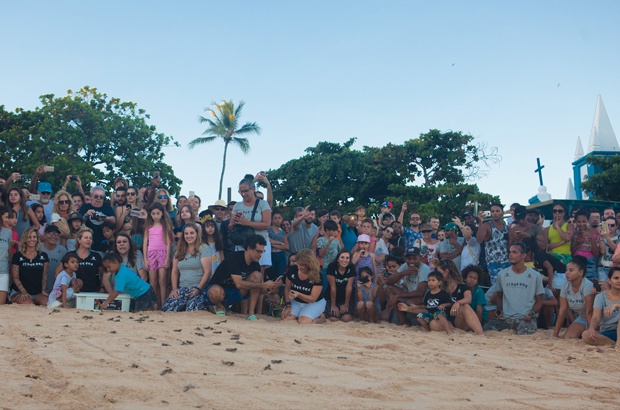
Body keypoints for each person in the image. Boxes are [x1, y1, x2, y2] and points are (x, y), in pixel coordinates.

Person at [204, 235, 279, 319]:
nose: (261, 255)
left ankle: (251, 313)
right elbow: (239, 284)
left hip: (236, 293)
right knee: (215, 291)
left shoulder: (255, 264)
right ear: (249, 249)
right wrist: (264, 285)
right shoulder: (234, 258)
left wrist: (270, 288)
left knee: (257, 276)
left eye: (262, 251)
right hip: (219, 289)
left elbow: (256, 288)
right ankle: (219, 307)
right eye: (258, 251)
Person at [483, 242, 545, 335]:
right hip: (506, 318)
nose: (510, 255)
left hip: (525, 318)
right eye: (510, 252)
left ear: (523, 255)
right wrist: (499, 309)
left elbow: (539, 300)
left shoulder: (535, 275)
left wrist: (532, 313)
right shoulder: (502, 274)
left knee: (525, 335)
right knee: (487, 330)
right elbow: (498, 295)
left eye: (514, 252)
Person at [162, 224, 213, 312]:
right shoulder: (179, 250)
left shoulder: (203, 248)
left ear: (197, 234)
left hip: (199, 288)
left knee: (192, 309)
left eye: (192, 233)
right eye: (186, 234)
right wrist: (174, 289)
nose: (189, 236)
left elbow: (207, 272)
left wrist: (198, 289)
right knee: (168, 309)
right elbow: (174, 271)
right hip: (183, 288)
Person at [229, 174, 272, 271]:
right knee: (242, 272)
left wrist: (247, 223)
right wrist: (233, 223)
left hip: (260, 243)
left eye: (246, 191)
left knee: (258, 272)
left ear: (253, 189)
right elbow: (230, 228)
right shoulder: (237, 206)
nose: (243, 194)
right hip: (242, 243)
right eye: (241, 191)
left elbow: (267, 225)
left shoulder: (263, 204)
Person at [436, 259, 484, 334]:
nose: (437, 275)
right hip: (445, 320)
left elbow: (468, 299)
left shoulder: (462, 287)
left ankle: (480, 333)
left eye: (439, 273)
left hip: (458, 320)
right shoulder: (439, 288)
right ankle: (455, 332)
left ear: (447, 271)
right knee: (433, 323)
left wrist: (458, 303)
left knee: (464, 306)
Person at [384, 247, 430, 325]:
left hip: (423, 298)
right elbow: (388, 281)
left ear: (420, 258)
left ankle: (416, 320)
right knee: (388, 289)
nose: (411, 261)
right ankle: (403, 320)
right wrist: (403, 273)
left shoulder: (424, 269)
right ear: (405, 259)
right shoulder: (405, 266)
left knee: (410, 302)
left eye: (414, 258)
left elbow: (420, 292)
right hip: (410, 293)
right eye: (409, 258)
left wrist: (398, 296)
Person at [553, 256, 594, 339]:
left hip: (596, 320)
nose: (567, 273)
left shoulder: (587, 286)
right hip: (582, 318)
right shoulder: (565, 286)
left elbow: (589, 312)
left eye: (571, 270)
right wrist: (555, 333)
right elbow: (562, 310)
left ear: (580, 272)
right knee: (568, 337)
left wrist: (591, 330)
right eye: (566, 270)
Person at [281, 249, 326, 324]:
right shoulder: (293, 270)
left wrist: (298, 294)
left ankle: (321, 317)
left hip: (313, 303)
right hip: (296, 301)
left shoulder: (317, 275)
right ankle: (301, 314)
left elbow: (312, 298)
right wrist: (288, 305)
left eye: (302, 265)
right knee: (285, 319)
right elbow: (287, 288)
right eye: (298, 264)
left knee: (303, 321)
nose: (299, 267)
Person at [143, 202, 174, 308]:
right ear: (150, 214)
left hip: (162, 253)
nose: (155, 216)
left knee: (162, 280)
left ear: (162, 213)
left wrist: (167, 258)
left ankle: (164, 304)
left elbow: (168, 243)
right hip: (151, 254)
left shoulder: (165, 226)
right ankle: (154, 304)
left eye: (158, 213)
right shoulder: (148, 226)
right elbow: (145, 243)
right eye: (153, 213)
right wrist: (145, 259)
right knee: (152, 281)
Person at [10, 227, 49, 305]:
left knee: (47, 303)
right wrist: (23, 292)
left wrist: (43, 290)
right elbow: (15, 277)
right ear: (25, 239)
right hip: (20, 292)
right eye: (29, 237)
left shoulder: (43, 256)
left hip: (37, 292)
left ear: (37, 239)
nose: (32, 239)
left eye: (34, 237)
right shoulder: (17, 256)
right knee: (29, 304)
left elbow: (44, 276)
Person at [582, 267, 620, 346]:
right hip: (607, 332)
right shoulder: (601, 296)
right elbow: (596, 317)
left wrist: (615, 305)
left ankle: (618, 344)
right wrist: (591, 328)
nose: (619, 281)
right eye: (616, 278)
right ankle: (614, 344)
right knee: (586, 335)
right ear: (609, 281)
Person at [61, 228, 103, 293]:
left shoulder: (96, 256)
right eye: (86, 238)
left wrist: (102, 288)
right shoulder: (70, 255)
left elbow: (103, 274)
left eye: (90, 238)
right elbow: (58, 272)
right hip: (74, 293)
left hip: (92, 293)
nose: (88, 240)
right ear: (79, 240)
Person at [476, 203, 510, 284]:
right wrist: (480, 222)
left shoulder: (507, 228)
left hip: (507, 261)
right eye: (492, 211)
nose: (494, 213)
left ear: (502, 213)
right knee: (496, 287)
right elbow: (479, 240)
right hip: (494, 263)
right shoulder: (487, 226)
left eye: (497, 211)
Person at [80, 186, 116, 252]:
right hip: (87, 244)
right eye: (96, 196)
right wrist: (86, 215)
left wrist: (103, 218)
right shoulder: (85, 207)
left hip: (104, 245)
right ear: (91, 196)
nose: (98, 199)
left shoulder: (107, 207)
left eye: (101, 197)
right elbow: (79, 223)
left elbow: (114, 220)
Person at [325, 249, 356, 322]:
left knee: (346, 318)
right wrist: (333, 305)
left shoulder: (351, 267)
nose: (344, 260)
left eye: (347, 258)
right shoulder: (332, 266)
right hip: (331, 297)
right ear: (338, 259)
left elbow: (349, 287)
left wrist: (346, 304)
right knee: (333, 318)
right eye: (342, 257)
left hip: (345, 298)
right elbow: (333, 287)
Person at [571, 209, 601, 284]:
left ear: (588, 220)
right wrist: (577, 243)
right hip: (576, 261)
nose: (581, 224)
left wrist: (591, 239)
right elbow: (571, 252)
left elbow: (596, 253)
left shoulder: (595, 232)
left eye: (584, 221)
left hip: (590, 262)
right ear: (576, 221)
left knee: (590, 285)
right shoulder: (574, 234)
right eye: (579, 222)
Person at [41, 225, 67, 294]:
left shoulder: (62, 250)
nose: (54, 236)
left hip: (56, 288)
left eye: (56, 234)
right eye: (51, 233)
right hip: (39, 287)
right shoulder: (38, 248)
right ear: (45, 235)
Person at [268, 210, 289, 280]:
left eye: (279, 218)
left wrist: (273, 244)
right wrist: (280, 243)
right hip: (270, 255)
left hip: (280, 256)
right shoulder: (268, 229)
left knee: (279, 277)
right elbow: (268, 240)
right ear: (272, 219)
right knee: (271, 277)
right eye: (275, 218)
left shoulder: (283, 233)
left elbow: (286, 246)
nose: (277, 220)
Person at [0, 206, 14, 305]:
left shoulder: (7, 233)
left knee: (2, 303)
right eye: (6, 217)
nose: (8, 220)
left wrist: (11, 272)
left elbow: (10, 254)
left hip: (4, 271)